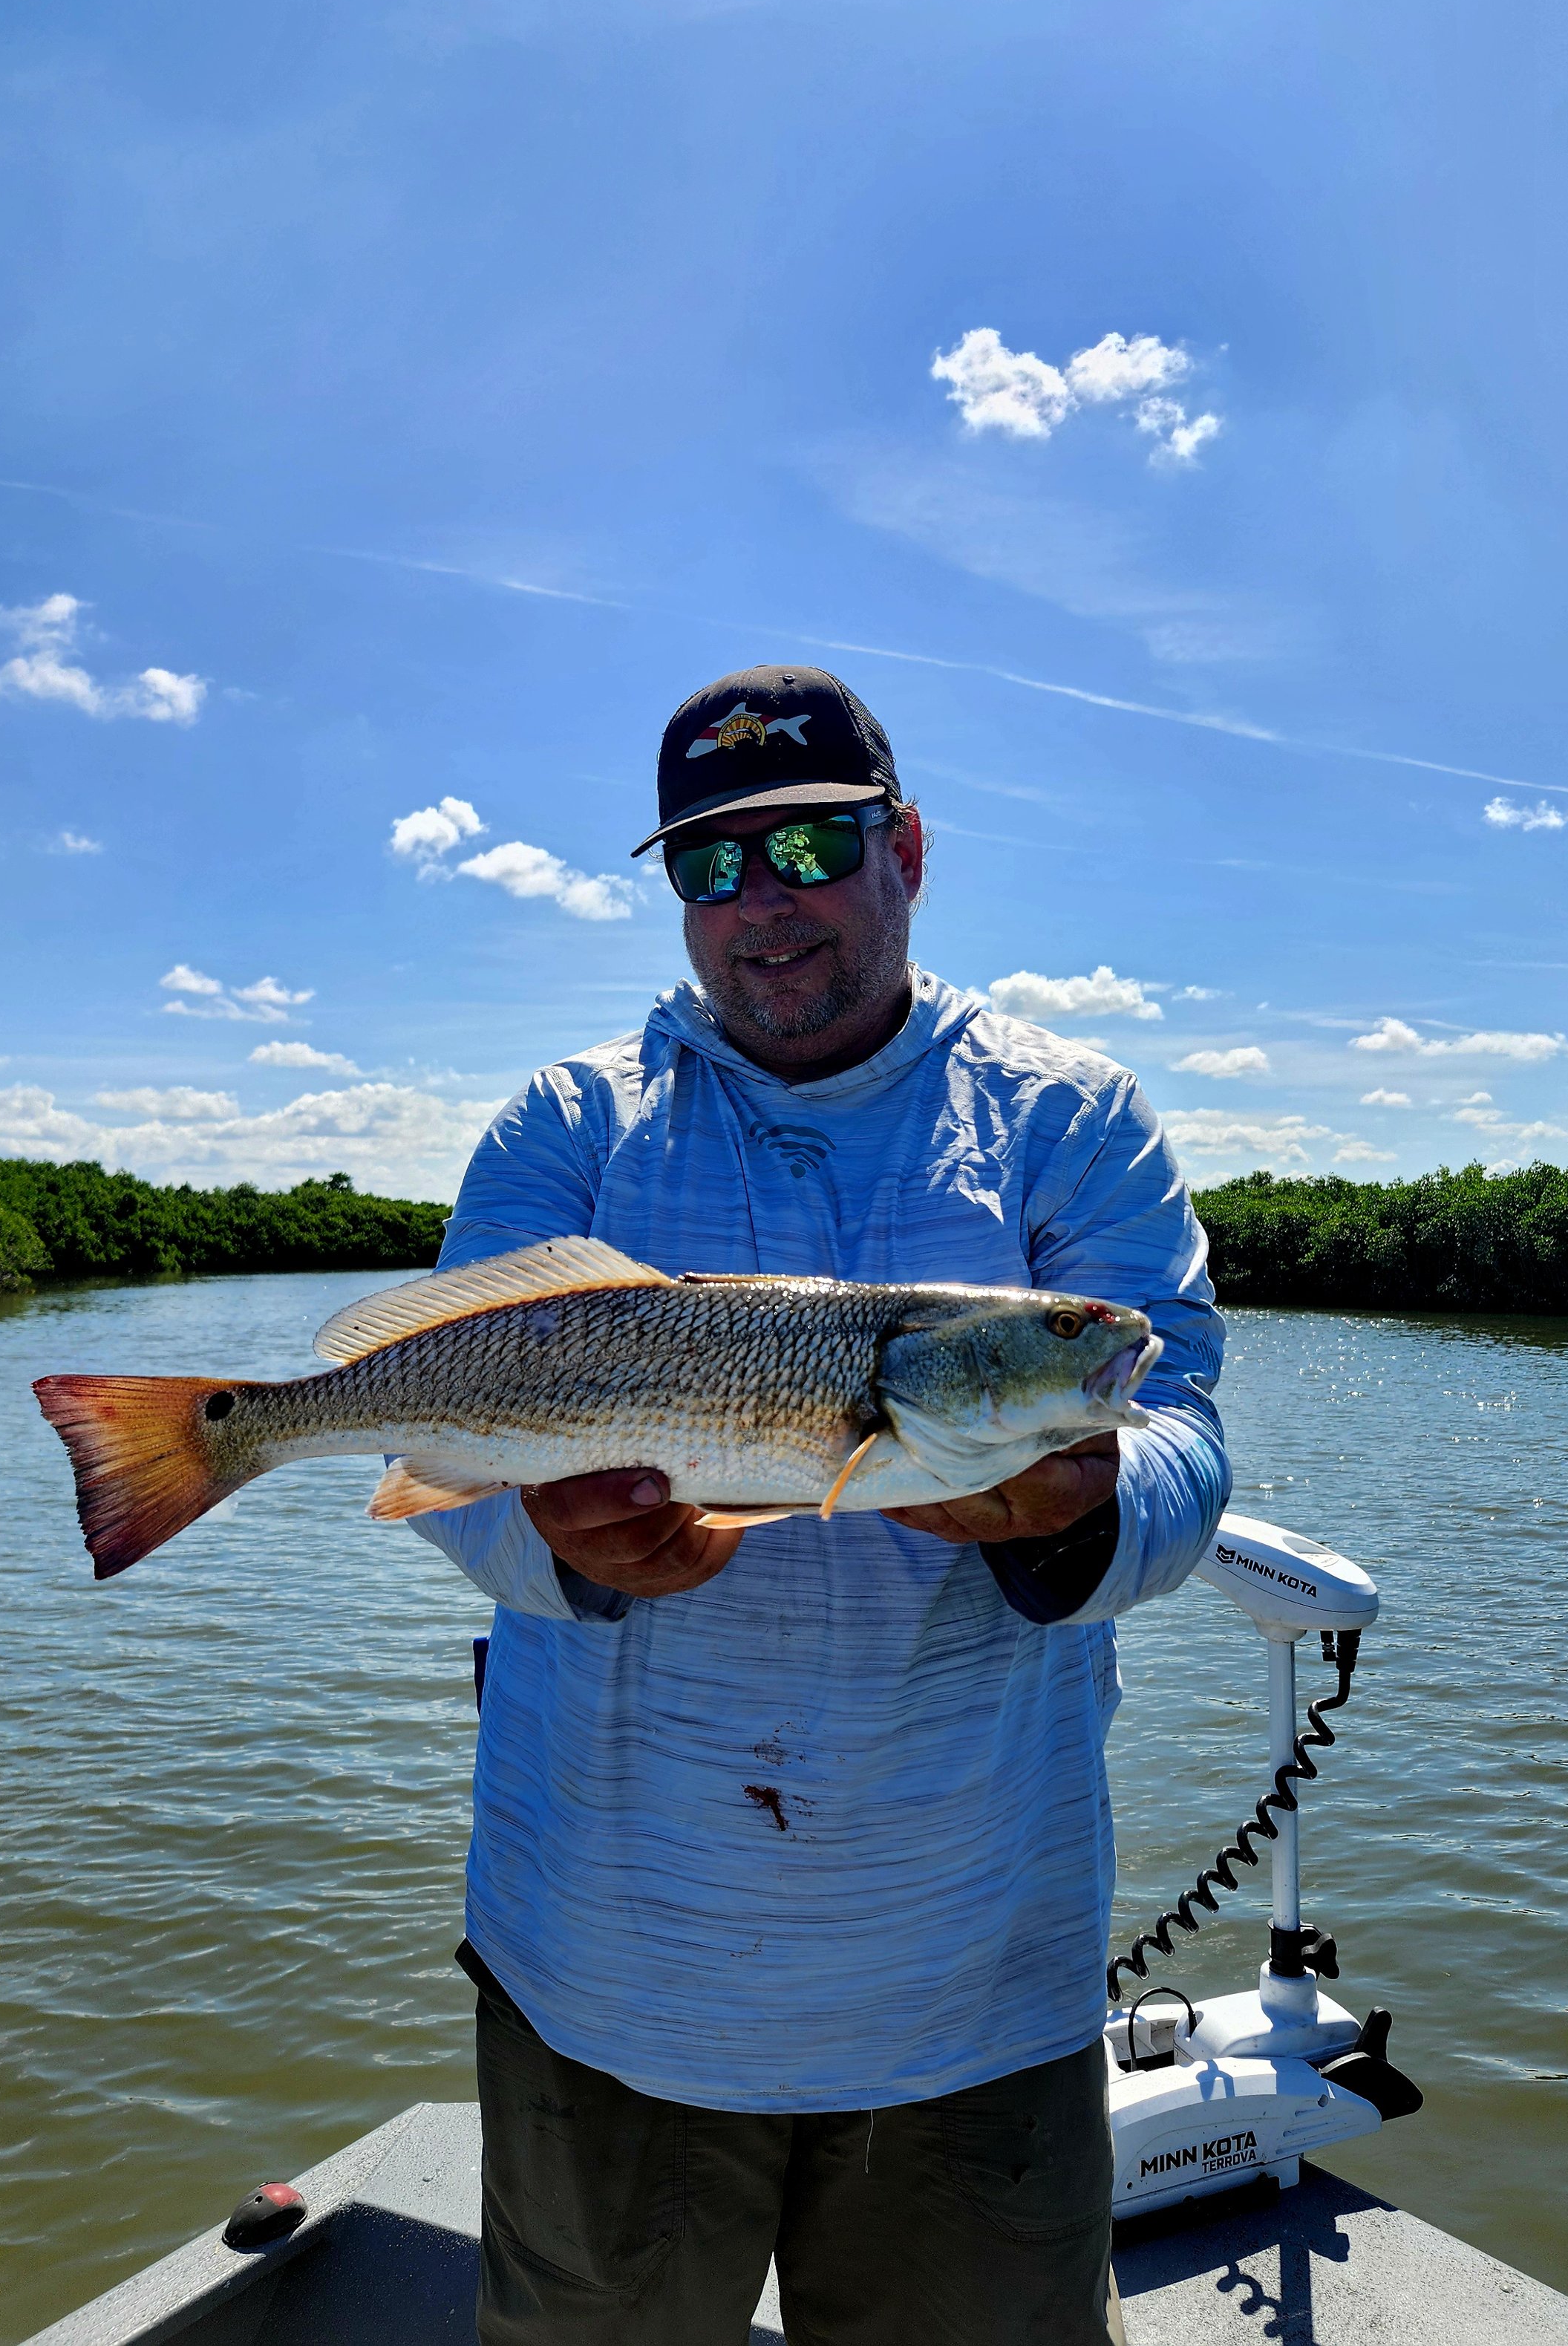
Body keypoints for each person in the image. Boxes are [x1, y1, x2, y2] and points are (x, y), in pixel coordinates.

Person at [411, 665, 1230, 2345]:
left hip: (972, 1978)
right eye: (707, 868)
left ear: (905, 847)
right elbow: (441, 1460)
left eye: (806, 846)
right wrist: (557, 1545)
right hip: (602, 1968)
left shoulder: (1068, 1119)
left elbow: (1182, 1431)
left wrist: (1076, 1515)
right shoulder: (566, 1126)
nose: (759, 905)